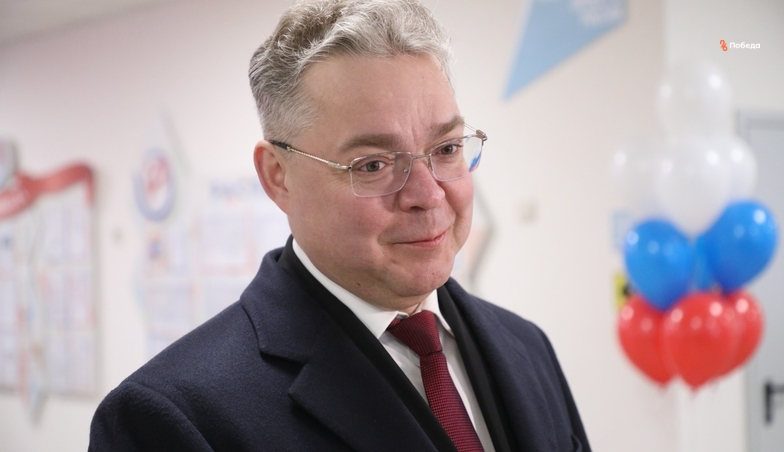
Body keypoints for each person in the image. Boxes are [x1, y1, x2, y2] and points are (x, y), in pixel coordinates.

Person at [89, 0, 591, 451]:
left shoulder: (526, 346)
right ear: (278, 176)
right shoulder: (171, 418)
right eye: (373, 164)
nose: (428, 194)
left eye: (446, 149)